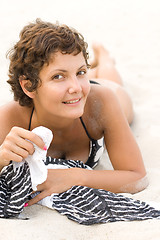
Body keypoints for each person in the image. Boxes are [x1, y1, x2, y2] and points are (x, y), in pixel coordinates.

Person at [0, 19, 148, 206]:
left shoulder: (103, 103)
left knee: (112, 81)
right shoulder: (9, 118)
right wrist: (1, 159)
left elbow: (137, 177)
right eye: (58, 76)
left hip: (98, 96)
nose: (76, 87)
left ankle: (104, 58)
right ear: (28, 85)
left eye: (81, 71)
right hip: (74, 100)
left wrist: (75, 176)